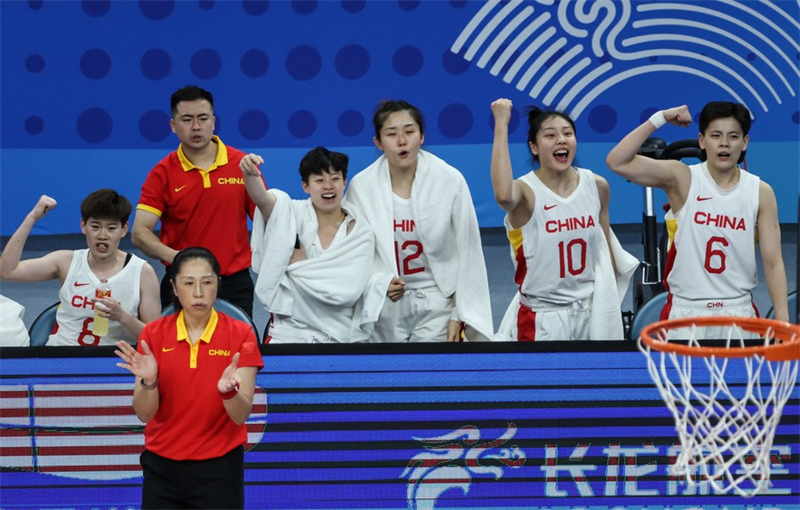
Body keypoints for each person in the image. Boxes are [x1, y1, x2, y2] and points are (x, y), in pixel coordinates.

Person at [606, 101, 789, 327]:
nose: (724, 144)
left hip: (739, 312)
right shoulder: (682, 178)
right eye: (715, 136)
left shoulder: (761, 192)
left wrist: (783, 322)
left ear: (745, 143)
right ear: (702, 140)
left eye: (733, 137)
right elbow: (617, 161)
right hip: (686, 312)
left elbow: (774, 262)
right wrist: (661, 116)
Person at [114, 247, 263, 509]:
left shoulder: (241, 334)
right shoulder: (153, 334)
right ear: (174, 287)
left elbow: (241, 415)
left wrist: (228, 392)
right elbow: (144, 414)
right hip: (162, 467)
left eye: (207, 282)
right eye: (188, 283)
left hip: (219, 468)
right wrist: (150, 382)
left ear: (218, 284)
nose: (198, 292)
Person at [344, 99, 494, 342]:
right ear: (378, 143)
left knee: (433, 375)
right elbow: (353, 252)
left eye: (410, 131)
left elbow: (468, 252)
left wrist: (458, 313)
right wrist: (378, 283)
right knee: (387, 376)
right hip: (386, 302)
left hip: (436, 301)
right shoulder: (362, 187)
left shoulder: (449, 180)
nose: (402, 140)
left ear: (422, 136)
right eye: (392, 134)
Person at [490, 98, 637, 341]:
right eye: (550, 135)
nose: (561, 140)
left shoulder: (597, 186)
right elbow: (503, 195)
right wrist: (501, 124)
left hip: (591, 312)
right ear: (534, 147)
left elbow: (605, 251)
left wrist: (608, 304)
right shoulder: (526, 191)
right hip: (543, 318)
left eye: (568, 133)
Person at [242, 147, 391, 343]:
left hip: (337, 337)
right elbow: (263, 200)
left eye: (335, 179)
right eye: (319, 180)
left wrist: (298, 266)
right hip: (289, 335)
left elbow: (350, 291)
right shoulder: (291, 215)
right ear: (306, 186)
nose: (328, 186)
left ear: (345, 182)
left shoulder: (360, 232)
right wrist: (250, 174)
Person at [132, 85, 257, 317]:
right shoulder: (162, 173)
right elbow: (140, 232)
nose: (196, 126)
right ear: (173, 125)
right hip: (182, 282)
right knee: (177, 351)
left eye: (202, 118)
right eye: (187, 119)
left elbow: (266, 218)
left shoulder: (242, 164)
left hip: (233, 283)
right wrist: (178, 258)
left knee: (237, 351)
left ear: (214, 121)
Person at [0, 190, 161, 346]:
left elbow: (156, 340)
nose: (102, 235)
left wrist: (122, 317)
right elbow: (7, 271)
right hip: (60, 358)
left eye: (111, 228)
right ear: (83, 226)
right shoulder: (66, 262)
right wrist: (32, 217)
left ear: (124, 229)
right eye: (95, 227)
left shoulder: (142, 273)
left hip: (113, 362)